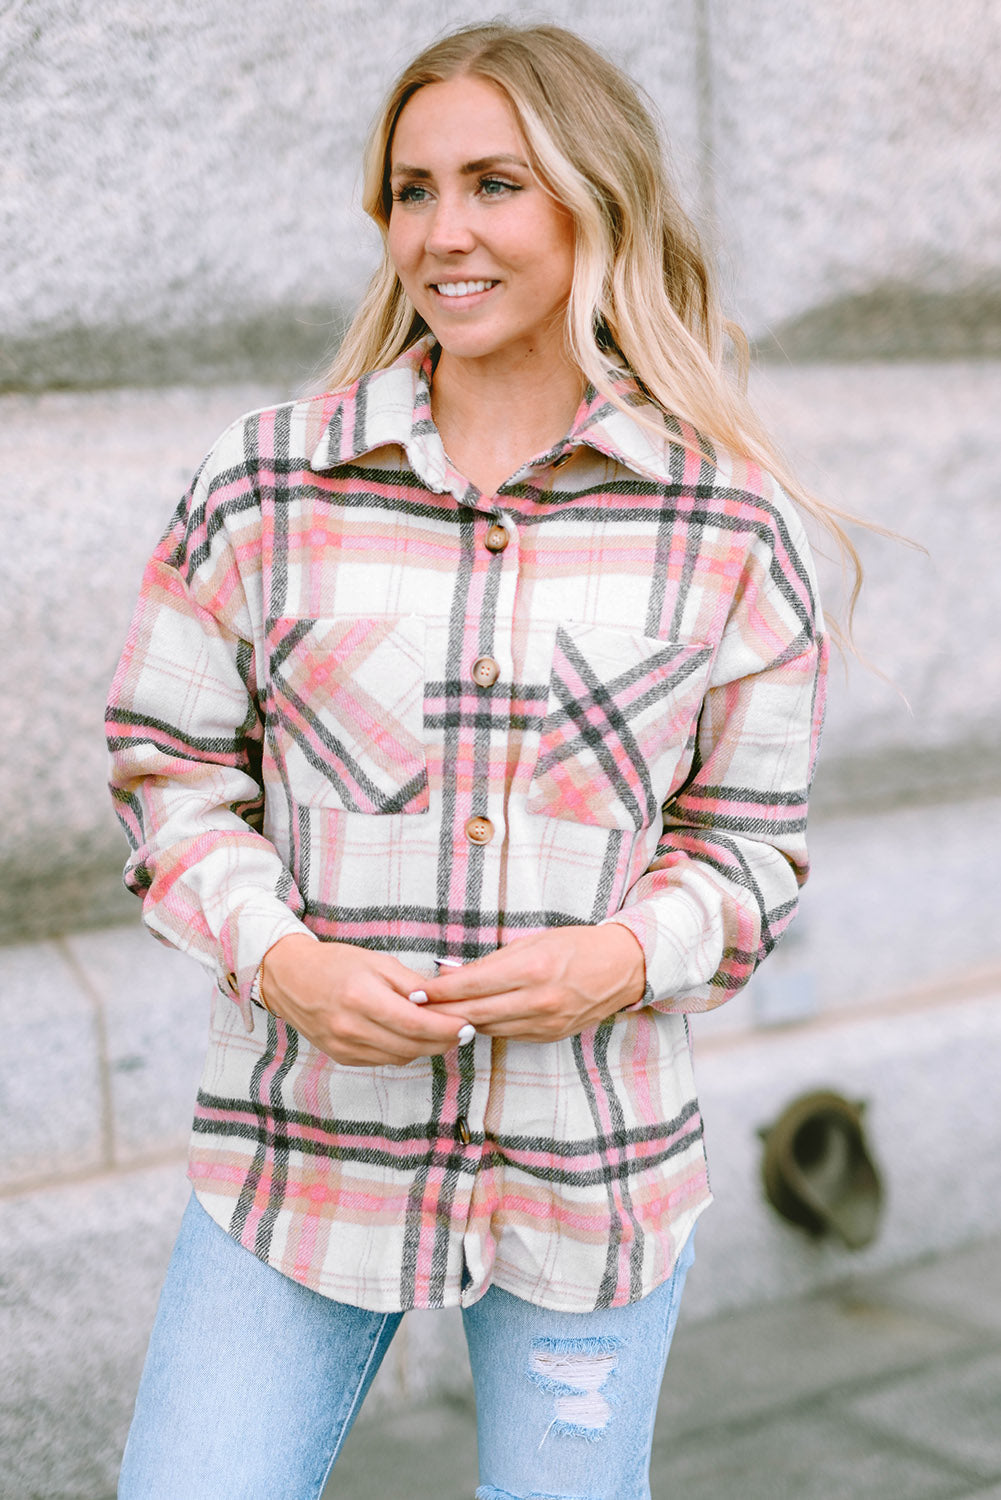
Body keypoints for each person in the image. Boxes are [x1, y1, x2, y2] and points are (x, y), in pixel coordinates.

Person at [107, 21, 839, 1500]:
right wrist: (277, 957)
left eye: (495, 184)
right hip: (298, 1153)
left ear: (593, 203)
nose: (444, 232)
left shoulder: (728, 528)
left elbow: (750, 854)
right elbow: (168, 774)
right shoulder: (264, 483)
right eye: (411, 189)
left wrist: (623, 955)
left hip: (590, 1171)